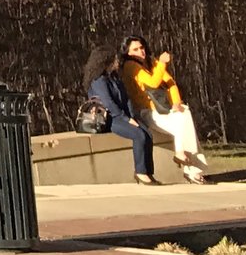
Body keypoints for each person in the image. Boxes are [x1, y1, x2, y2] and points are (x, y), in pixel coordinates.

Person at [124, 37, 209, 184]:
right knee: (183, 124)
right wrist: (162, 63)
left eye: (142, 47)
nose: (141, 51)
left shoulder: (152, 62)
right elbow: (153, 82)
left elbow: (171, 84)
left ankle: (182, 155)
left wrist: (176, 102)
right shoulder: (130, 66)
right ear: (128, 52)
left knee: (184, 113)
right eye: (135, 49)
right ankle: (192, 170)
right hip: (146, 112)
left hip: (163, 110)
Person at [82, 43, 157, 184]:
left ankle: (148, 171)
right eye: (114, 60)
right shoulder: (98, 80)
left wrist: (131, 116)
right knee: (139, 135)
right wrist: (125, 119)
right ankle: (140, 172)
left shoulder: (114, 77)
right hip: (109, 118)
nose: (117, 62)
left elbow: (126, 98)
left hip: (124, 115)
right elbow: (108, 103)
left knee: (147, 133)